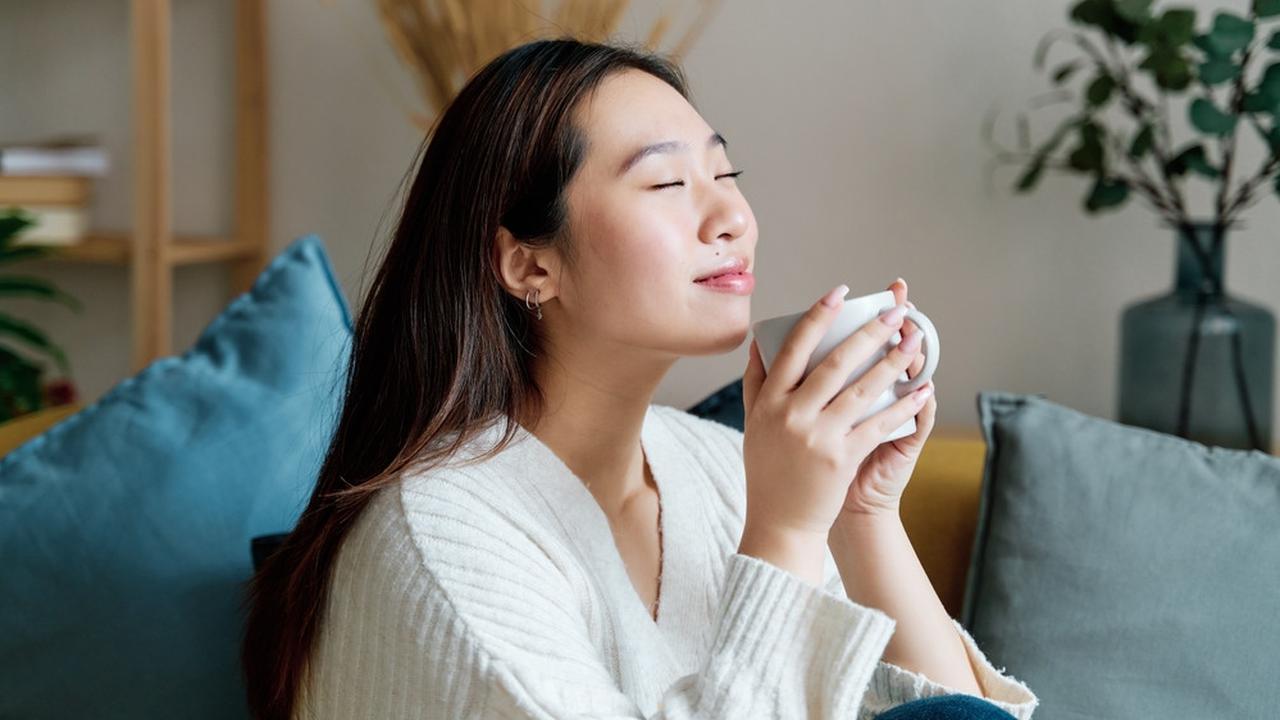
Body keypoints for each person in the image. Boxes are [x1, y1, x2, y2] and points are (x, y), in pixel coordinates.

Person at [240, 38, 1039, 720]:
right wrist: (788, 534)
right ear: (531, 263)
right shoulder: (439, 532)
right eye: (666, 183)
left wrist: (858, 515)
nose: (731, 217)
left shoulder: (722, 466)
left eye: (726, 175)